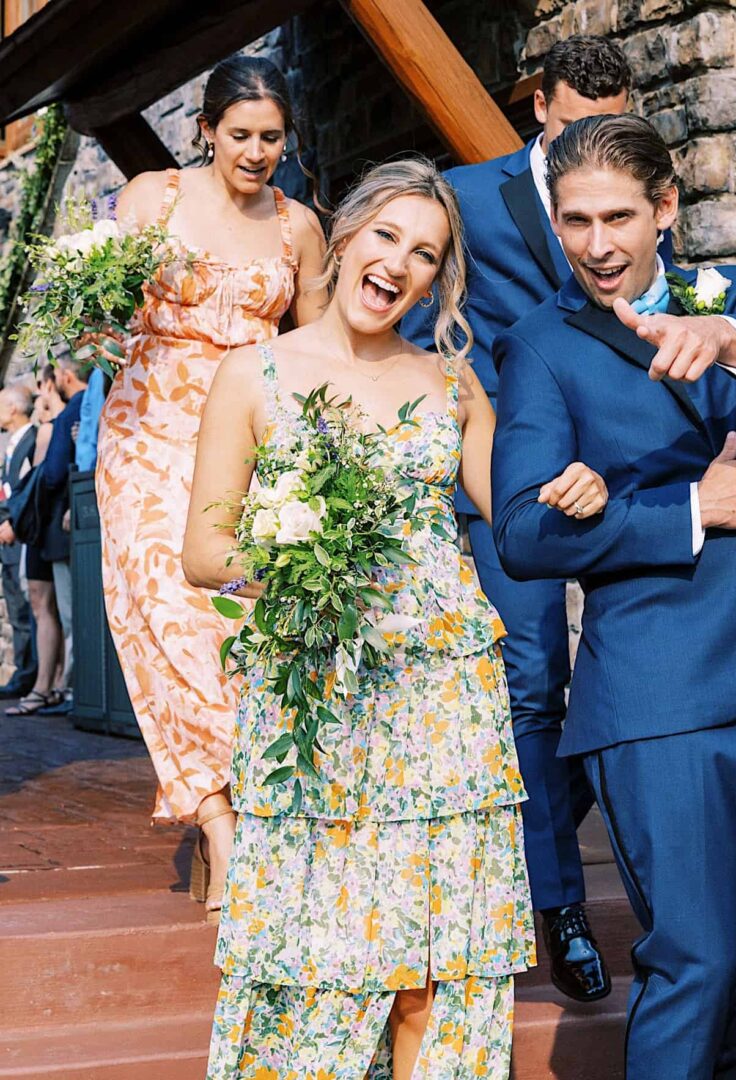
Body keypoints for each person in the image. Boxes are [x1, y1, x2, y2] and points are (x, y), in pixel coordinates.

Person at [491, 113, 736, 1080]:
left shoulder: (735, 296)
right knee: (699, 960)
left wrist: (720, 335)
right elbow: (521, 531)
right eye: (575, 220)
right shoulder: (542, 348)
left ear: (665, 208)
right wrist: (690, 508)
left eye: (619, 217)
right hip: (657, 686)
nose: (597, 244)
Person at [185, 158, 604, 1080]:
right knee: (323, 972)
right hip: (321, 708)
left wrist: (579, 486)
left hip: (445, 706)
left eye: (427, 254)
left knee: (433, 977)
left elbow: (519, 517)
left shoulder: (452, 384)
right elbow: (206, 553)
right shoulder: (252, 374)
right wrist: (314, 561)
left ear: (437, 278)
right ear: (344, 238)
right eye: (387, 237)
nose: (400, 265)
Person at [400, 33, 661, 1001]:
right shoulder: (468, 199)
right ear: (538, 108)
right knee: (533, 678)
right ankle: (559, 904)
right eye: (581, 119)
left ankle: (541, 844)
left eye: (616, 118)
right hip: (514, 480)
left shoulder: (638, 198)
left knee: (632, 678)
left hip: (632, 468)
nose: (600, 134)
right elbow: (426, 324)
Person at [101, 54, 325, 915]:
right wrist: (93, 321)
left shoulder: (298, 229)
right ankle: (221, 821)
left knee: (242, 623)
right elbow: (113, 310)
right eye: (241, 135)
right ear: (206, 130)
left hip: (251, 439)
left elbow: (314, 348)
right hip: (148, 432)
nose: (257, 151)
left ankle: (257, 801)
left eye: (272, 137)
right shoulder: (153, 197)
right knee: (170, 622)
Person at [31, 357, 92, 716]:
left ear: (64, 377)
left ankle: (70, 691)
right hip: (75, 521)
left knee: (71, 612)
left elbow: (53, 474)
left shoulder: (72, 413)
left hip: (63, 524)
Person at [9, 381, 67, 716]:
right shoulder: (43, 429)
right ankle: (50, 683)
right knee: (44, 606)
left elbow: (45, 476)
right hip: (40, 526)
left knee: (47, 606)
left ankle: (47, 686)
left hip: (43, 526)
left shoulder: (45, 431)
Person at [0, 385, 37, 698]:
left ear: (13, 408)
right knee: (15, 610)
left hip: (22, 536)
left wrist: (12, 522)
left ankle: (28, 677)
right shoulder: (11, 444)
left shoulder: (32, 439)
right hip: (7, 538)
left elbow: (27, 489)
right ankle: (23, 674)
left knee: (27, 610)